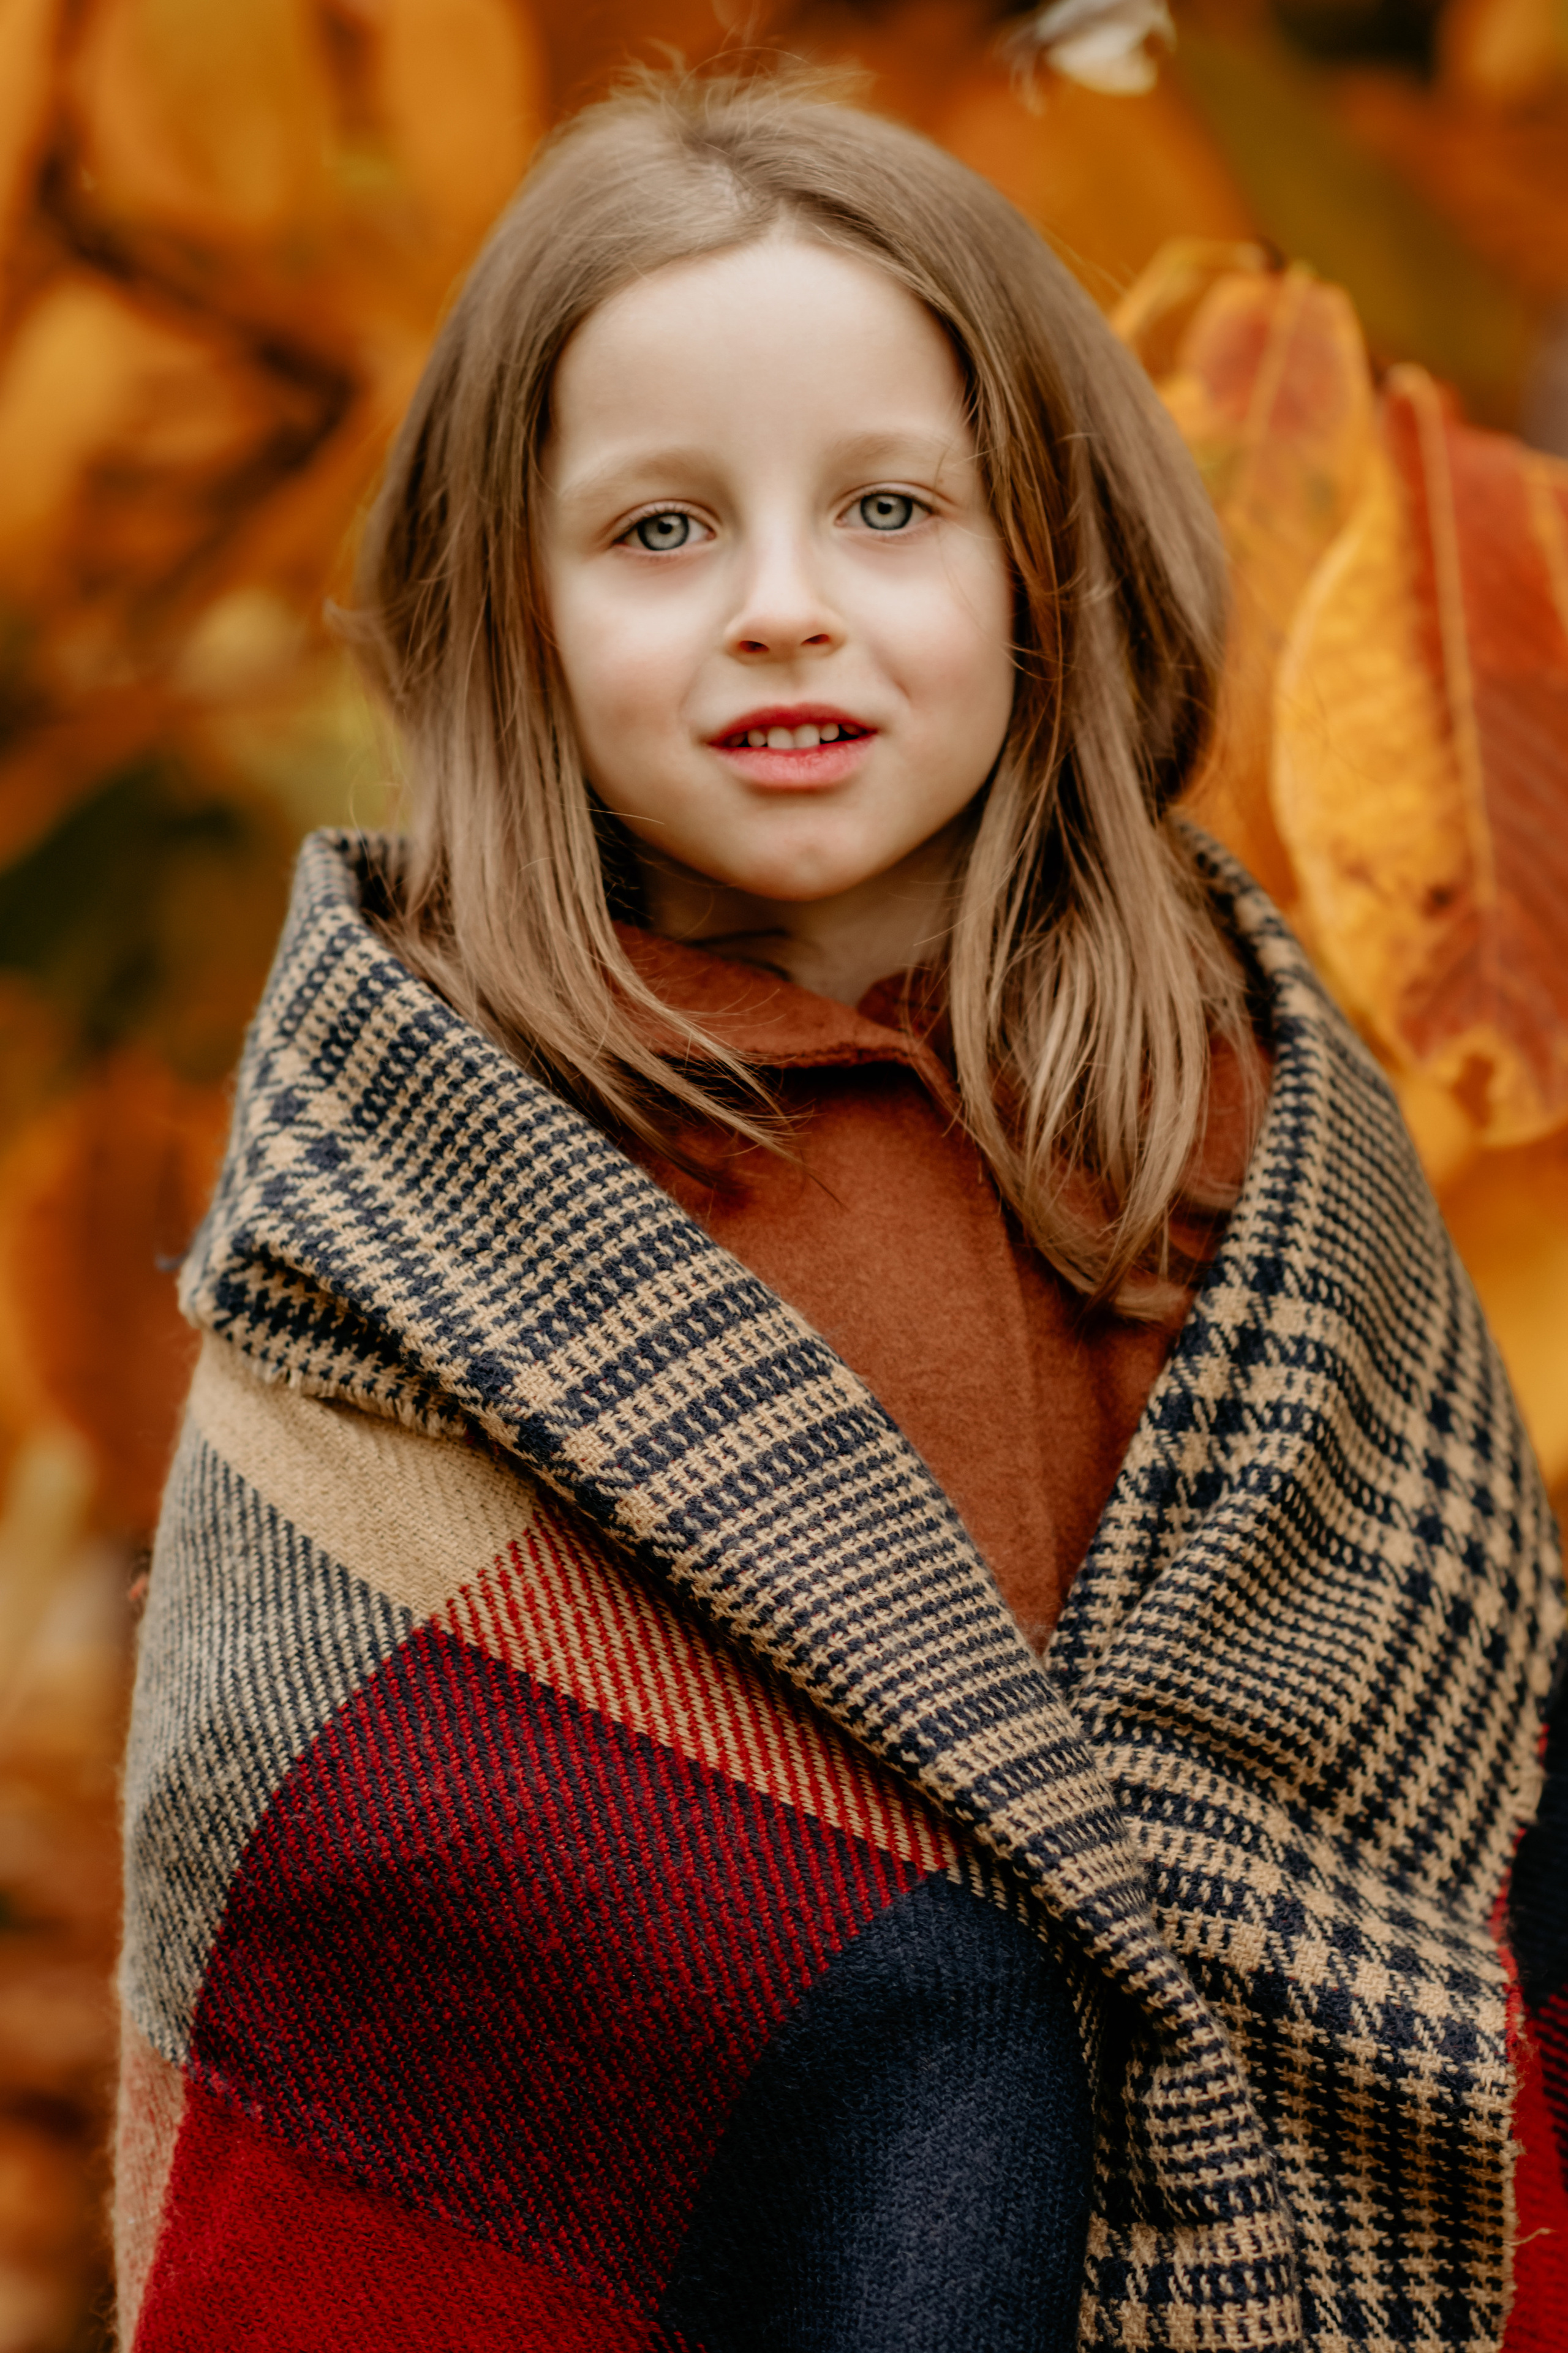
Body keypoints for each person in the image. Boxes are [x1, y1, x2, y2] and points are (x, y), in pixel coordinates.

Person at [115, 69, 1567, 2351]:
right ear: (512, 601)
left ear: (1048, 562)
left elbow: (1465, 1824)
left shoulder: (1252, 1132)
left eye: (890, 508)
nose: (783, 609)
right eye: (660, 530)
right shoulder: (418, 1201)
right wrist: (905, 1998)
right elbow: (368, 1906)